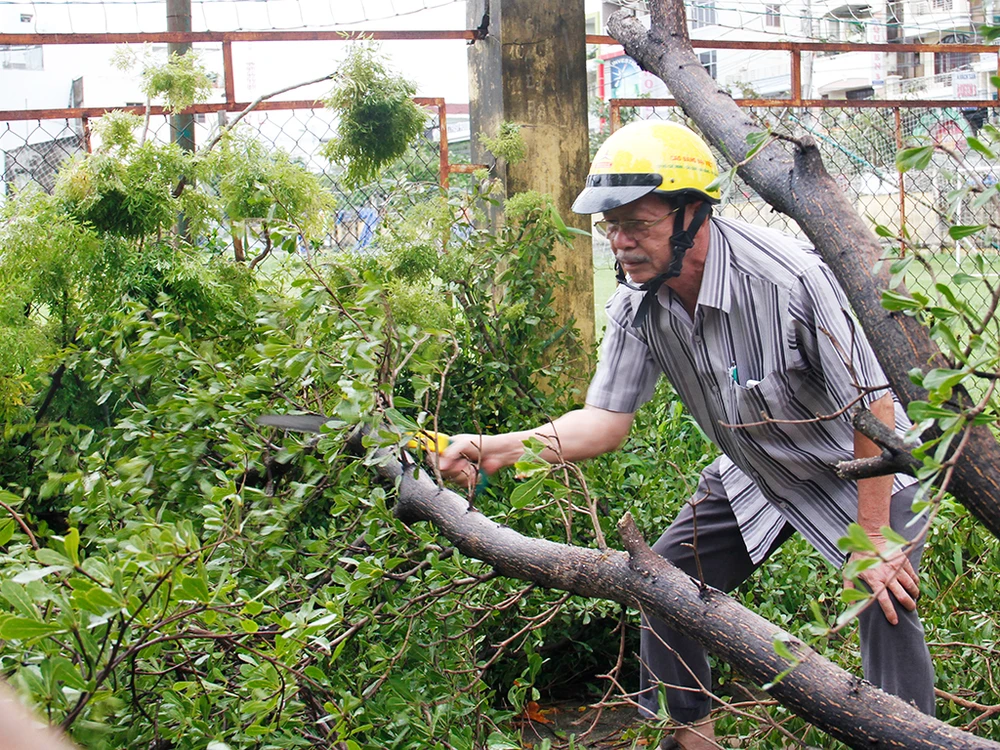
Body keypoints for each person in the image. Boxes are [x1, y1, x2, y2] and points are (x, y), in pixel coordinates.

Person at [438, 120, 935, 749]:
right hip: (756, 471)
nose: (620, 242)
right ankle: (692, 737)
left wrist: (874, 537)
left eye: (637, 224)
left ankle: (910, 738)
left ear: (693, 214)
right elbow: (603, 422)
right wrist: (493, 450)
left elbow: (872, 405)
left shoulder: (788, 282)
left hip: (861, 463)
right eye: (610, 225)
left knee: (884, 596)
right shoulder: (637, 302)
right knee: (665, 583)